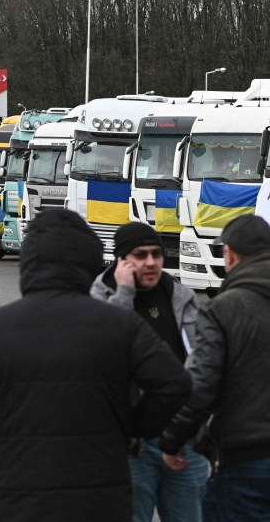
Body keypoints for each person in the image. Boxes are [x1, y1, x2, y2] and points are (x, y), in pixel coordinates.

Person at [0, 209, 192, 522]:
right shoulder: (119, 324)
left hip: (20, 495)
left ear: (29, 261)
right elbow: (175, 384)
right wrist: (133, 431)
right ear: (89, 261)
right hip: (102, 495)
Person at [157, 214, 270, 522]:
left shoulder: (223, 309)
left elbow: (202, 385)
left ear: (230, 253)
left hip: (246, 460)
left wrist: (173, 439)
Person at [90, 221, 207, 522]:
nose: (152, 262)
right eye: (140, 255)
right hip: (131, 447)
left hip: (183, 439)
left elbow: (202, 364)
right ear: (121, 261)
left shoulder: (181, 297)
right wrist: (125, 293)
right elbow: (108, 355)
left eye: (156, 253)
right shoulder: (99, 300)